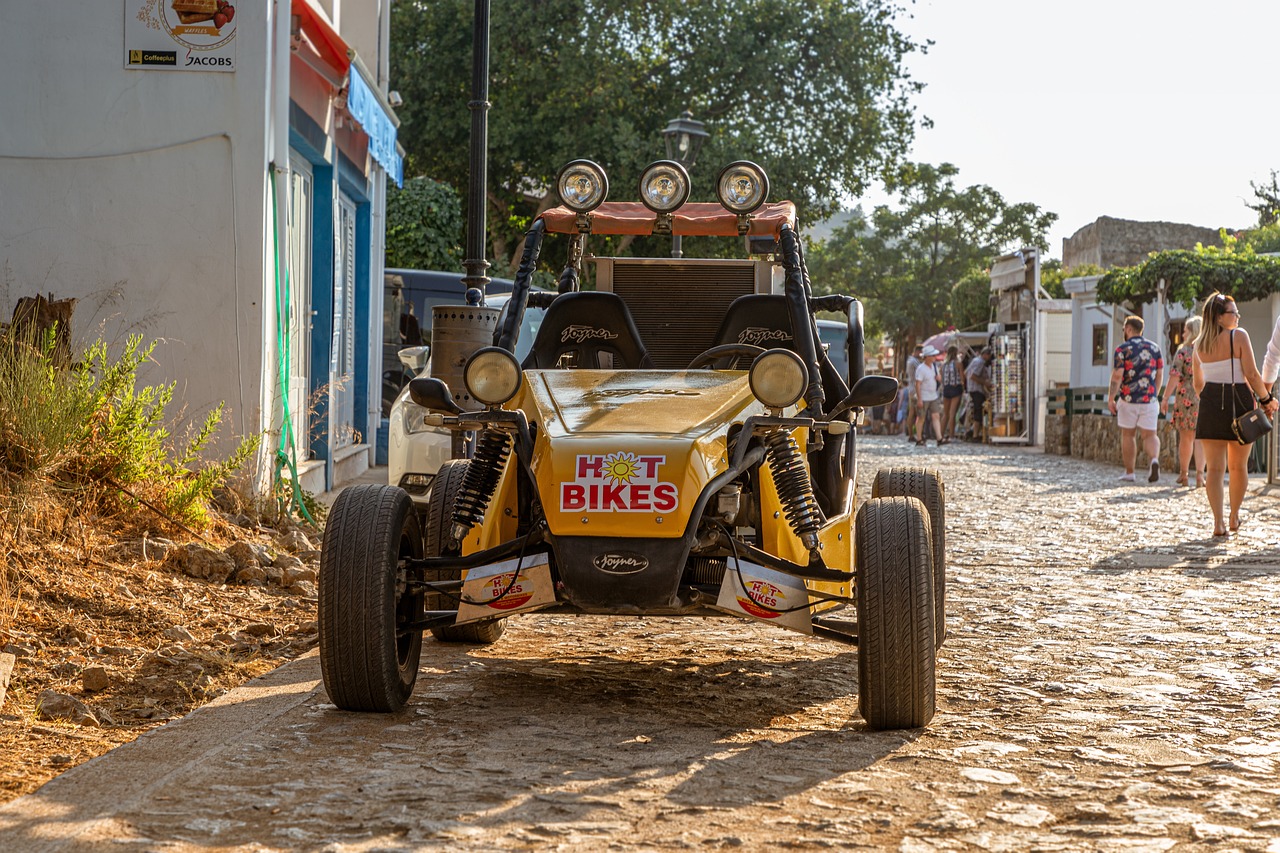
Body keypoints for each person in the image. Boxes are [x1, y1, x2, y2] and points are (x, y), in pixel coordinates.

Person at [1192, 293, 1276, 536]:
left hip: (1210, 406)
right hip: (1238, 403)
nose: (1238, 316)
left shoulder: (1199, 344)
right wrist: (1266, 399)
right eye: (1233, 312)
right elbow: (1251, 374)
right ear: (1219, 317)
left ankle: (1217, 521)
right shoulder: (1238, 336)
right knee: (1238, 467)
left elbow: (1198, 385)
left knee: (1215, 470)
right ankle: (1233, 517)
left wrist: (1211, 401)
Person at [1107, 315, 1164, 483]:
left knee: (1128, 435)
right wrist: (1155, 393)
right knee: (1150, 435)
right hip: (1149, 400)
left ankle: (1130, 472)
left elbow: (1117, 375)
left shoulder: (1122, 349)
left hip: (1128, 399)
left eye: (1125, 329)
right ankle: (1154, 459)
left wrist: (1111, 398)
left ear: (1129, 329)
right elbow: (1160, 374)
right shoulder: (1154, 348)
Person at [1160, 316, 1205, 487]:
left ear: (1192, 331)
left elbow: (1174, 376)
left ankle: (1184, 474)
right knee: (1201, 438)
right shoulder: (1208, 350)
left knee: (1186, 437)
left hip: (1186, 397)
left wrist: (1165, 398)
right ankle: (1200, 475)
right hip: (1205, 397)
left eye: (1186, 329)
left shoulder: (1184, 352)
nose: (1183, 332)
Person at [914, 344, 945, 447]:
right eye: (932, 355)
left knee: (936, 416)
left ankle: (939, 438)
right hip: (924, 396)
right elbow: (917, 384)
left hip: (933, 396)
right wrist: (919, 399)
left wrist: (939, 379)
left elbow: (938, 379)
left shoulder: (934, 366)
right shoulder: (921, 369)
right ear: (927, 357)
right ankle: (919, 438)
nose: (934, 357)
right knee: (921, 417)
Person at [964, 347, 993, 441]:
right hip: (977, 390)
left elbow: (966, 373)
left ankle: (972, 432)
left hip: (972, 389)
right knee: (979, 412)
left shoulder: (974, 360)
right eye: (989, 356)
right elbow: (973, 376)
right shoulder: (980, 362)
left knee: (978, 411)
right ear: (986, 355)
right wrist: (985, 382)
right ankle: (975, 435)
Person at [939, 345, 964, 441]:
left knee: (946, 414)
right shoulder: (958, 364)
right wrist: (963, 387)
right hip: (955, 388)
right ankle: (951, 435)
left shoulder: (943, 365)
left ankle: (940, 435)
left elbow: (942, 379)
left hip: (946, 389)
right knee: (953, 413)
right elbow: (962, 378)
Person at [904, 344, 923, 442]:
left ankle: (911, 434)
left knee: (912, 412)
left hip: (911, 388)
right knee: (917, 412)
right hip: (915, 389)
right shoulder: (914, 362)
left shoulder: (910, 361)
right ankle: (915, 434)